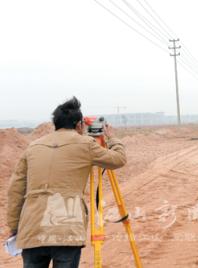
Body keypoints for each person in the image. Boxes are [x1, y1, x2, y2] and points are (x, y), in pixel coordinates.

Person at [7, 97, 127, 268]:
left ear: (55, 123)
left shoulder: (33, 147)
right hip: (67, 230)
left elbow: (15, 190)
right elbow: (118, 159)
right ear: (79, 125)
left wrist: (14, 226)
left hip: (32, 230)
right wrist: (111, 138)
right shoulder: (86, 143)